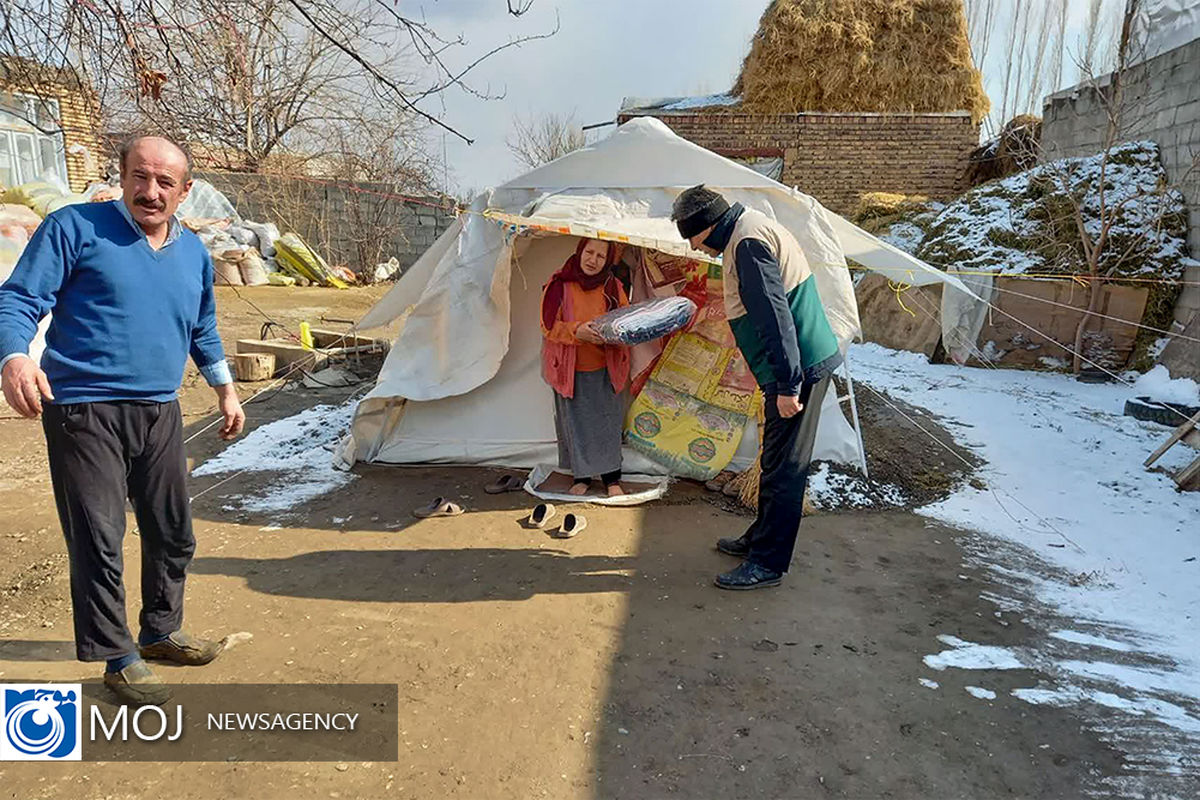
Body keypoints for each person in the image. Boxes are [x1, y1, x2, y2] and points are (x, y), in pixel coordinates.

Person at [0, 135, 246, 704]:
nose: (150, 191)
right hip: (84, 409)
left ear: (186, 192)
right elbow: (17, 300)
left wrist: (226, 391)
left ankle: (161, 630)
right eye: (141, 176)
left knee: (172, 530)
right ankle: (118, 656)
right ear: (123, 175)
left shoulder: (192, 254)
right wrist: (15, 357)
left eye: (165, 183)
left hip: (161, 409)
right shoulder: (74, 229)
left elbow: (202, 328)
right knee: (99, 535)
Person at [671, 185, 842, 590]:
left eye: (692, 238)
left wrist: (787, 384)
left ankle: (768, 563)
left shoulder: (747, 243)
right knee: (774, 460)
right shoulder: (745, 232)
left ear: (706, 226)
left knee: (785, 470)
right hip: (795, 369)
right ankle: (760, 538)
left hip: (798, 372)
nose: (696, 248)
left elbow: (774, 317)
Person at [540, 238, 632, 497]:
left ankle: (612, 479)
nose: (593, 260)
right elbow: (547, 325)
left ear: (608, 261)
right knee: (576, 424)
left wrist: (613, 334)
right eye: (589, 253)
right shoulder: (559, 284)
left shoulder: (612, 286)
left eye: (600, 256)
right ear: (580, 252)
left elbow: (625, 319)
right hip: (570, 370)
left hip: (607, 367)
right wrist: (577, 331)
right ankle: (582, 477)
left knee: (608, 422)